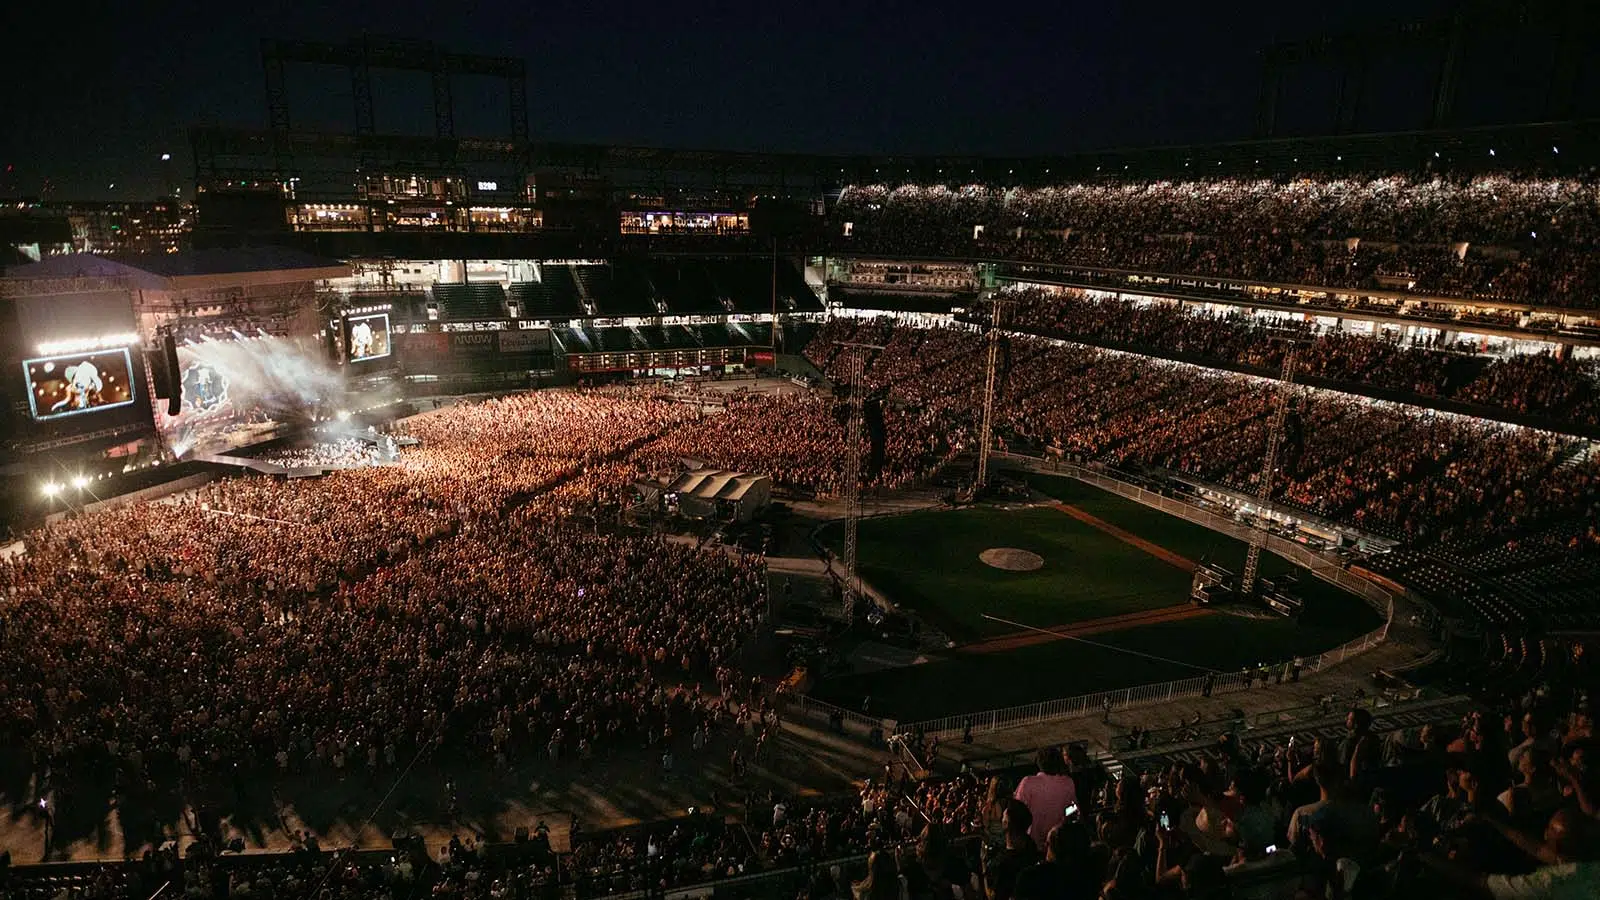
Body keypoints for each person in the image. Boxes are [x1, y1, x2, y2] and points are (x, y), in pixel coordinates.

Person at [1013, 747, 1077, 850]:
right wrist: (1062, 816)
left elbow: (1016, 811)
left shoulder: (1028, 782)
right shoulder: (1068, 783)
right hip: (1056, 841)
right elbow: (1073, 808)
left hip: (1031, 842)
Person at [982, 800, 1041, 900]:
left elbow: (992, 896)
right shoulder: (1030, 844)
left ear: (1007, 823)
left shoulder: (1002, 864)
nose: (1001, 818)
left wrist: (983, 866)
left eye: (1004, 816)